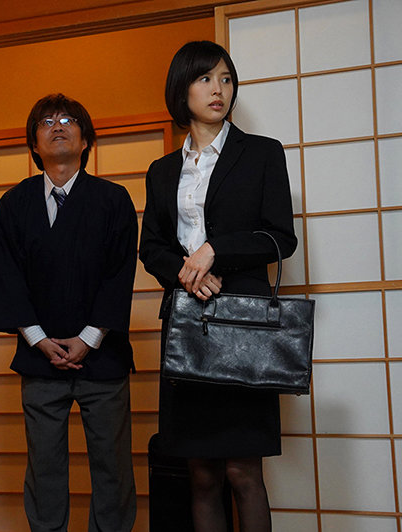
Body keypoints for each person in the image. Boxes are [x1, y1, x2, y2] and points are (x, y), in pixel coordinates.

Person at [139, 41, 297, 532]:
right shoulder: (162, 171)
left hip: (243, 326)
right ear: (181, 89)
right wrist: (188, 272)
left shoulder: (262, 153)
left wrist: (214, 251)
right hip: (186, 325)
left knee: (243, 471)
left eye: (226, 79)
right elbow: (152, 247)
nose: (218, 89)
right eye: (205, 78)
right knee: (202, 474)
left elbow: (281, 238)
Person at [0, 94, 138, 532]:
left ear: (85, 139)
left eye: (69, 120)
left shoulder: (113, 200)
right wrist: (38, 339)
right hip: (40, 357)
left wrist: (89, 338)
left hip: (103, 355)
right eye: (47, 121)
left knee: (112, 467)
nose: (58, 126)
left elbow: (119, 274)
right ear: (33, 144)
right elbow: (7, 277)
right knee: (45, 469)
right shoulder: (13, 204)